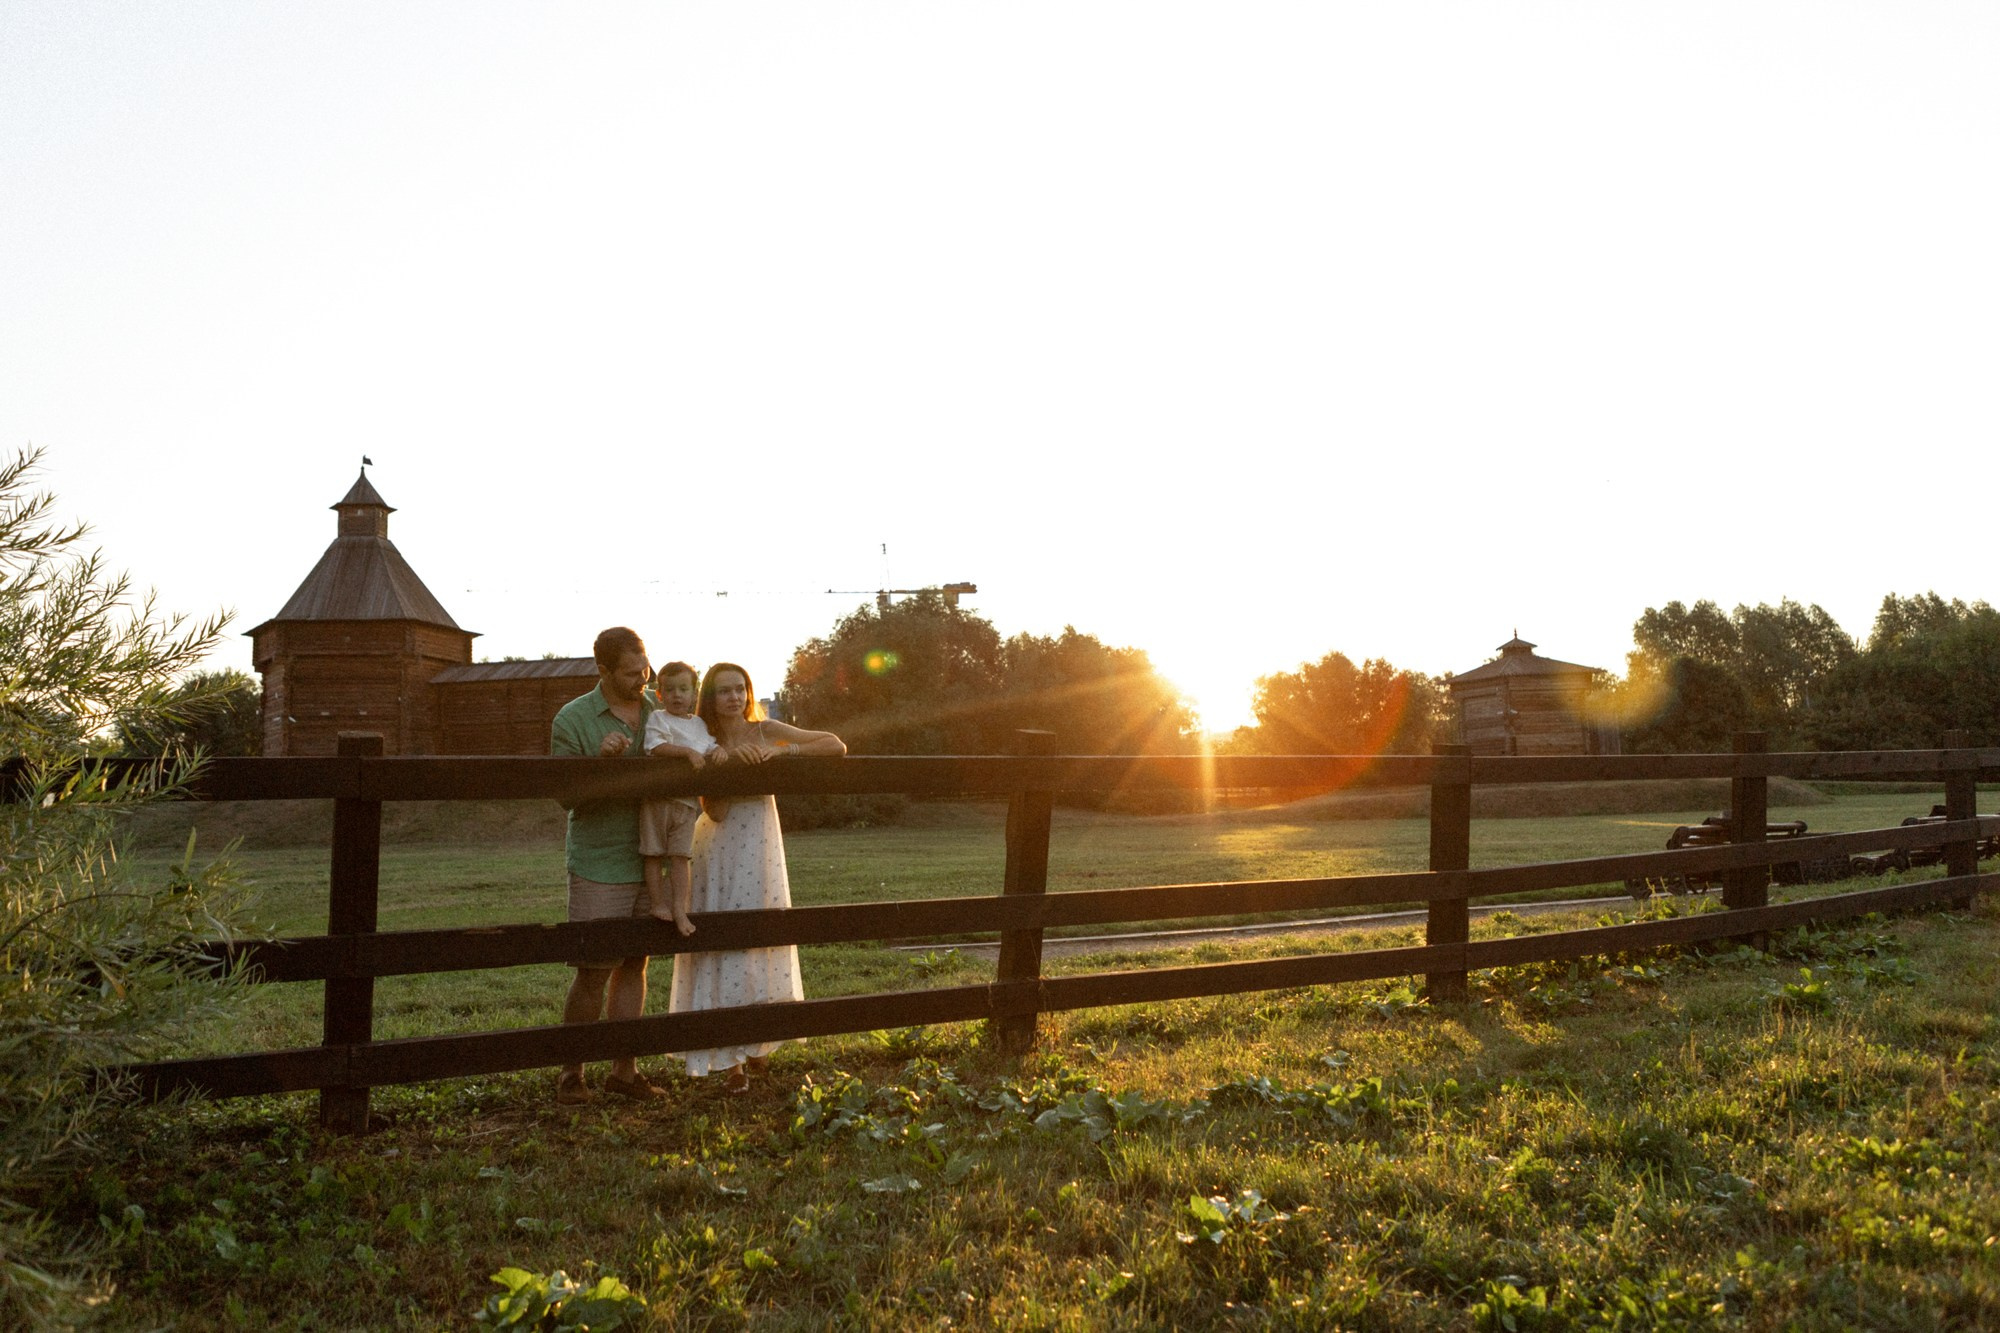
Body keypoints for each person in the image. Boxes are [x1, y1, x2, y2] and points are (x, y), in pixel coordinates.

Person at [670, 662, 846, 1094]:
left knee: (763, 933)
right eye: (723, 691)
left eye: (740, 689)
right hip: (723, 846)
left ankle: (760, 1040)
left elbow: (835, 745)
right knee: (727, 940)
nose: (733, 698)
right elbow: (717, 811)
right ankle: (732, 1061)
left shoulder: (766, 730)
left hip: (763, 848)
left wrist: (782, 752)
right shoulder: (703, 739)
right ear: (709, 699)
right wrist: (728, 767)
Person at [549, 626, 665, 1105]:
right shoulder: (573, 719)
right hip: (600, 860)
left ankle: (624, 1069)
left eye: (645, 668)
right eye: (630, 673)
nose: (642, 678)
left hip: (651, 859)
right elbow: (566, 796)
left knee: (635, 964)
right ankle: (571, 1073)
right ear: (602, 671)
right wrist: (599, 763)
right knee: (593, 969)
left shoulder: (661, 709)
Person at [639, 660, 714, 937]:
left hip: (685, 803)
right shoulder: (658, 718)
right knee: (654, 853)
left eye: (684, 689)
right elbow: (655, 746)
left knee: (681, 857)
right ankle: (658, 903)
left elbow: (708, 746)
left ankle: (680, 908)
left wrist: (716, 752)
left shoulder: (699, 724)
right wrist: (685, 753)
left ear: (694, 693)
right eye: (669, 690)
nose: (677, 695)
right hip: (657, 800)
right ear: (659, 694)